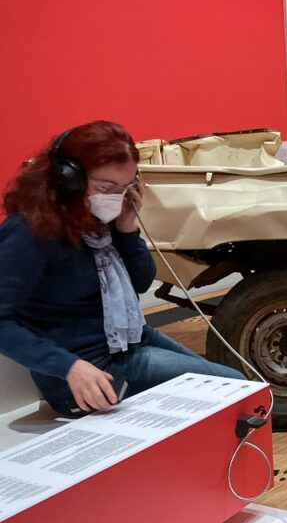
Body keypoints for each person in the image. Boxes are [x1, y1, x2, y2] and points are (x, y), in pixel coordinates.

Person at [0, 121, 244, 416]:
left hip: (130, 340)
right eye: (106, 187)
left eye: (125, 188)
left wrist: (127, 229)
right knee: (234, 390)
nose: (115, 197)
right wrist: (69, 367)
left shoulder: (97, 219)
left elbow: (141, 282)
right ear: (69, 179)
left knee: (237, 388)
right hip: (84, 373)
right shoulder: (30, 230)